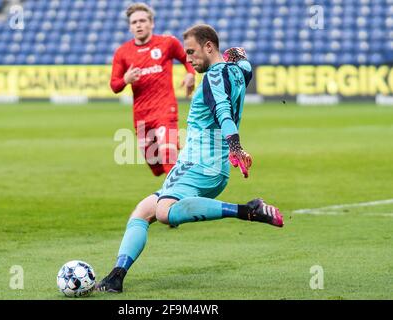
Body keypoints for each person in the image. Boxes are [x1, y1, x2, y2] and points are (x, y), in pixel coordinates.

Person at [96, 24, 284, 293]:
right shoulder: (239, 71)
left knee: (163, 212)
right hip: (212, 168)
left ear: (209, 47)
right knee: (143, 211)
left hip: (198, 162)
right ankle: (116, 277)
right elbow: (243, 60)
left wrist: (236, 146)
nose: (189, 58)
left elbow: (223, 111)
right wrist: (234, 54)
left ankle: (248, 210)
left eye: (192, 52)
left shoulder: (213, 78)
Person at [110, 3, 196, 176]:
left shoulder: (167, 43)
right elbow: (114, 85)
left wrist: (191, 74)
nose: (139, 25)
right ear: (130, 27)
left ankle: (174, 199)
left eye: (142, 21)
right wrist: (126, 79)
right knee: (156, 167)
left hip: (165, 110)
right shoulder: (122, 52)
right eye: (134, 22)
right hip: (142, 114)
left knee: (168, 156)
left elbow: (187, 57)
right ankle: (176, 186)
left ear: (151, 23)